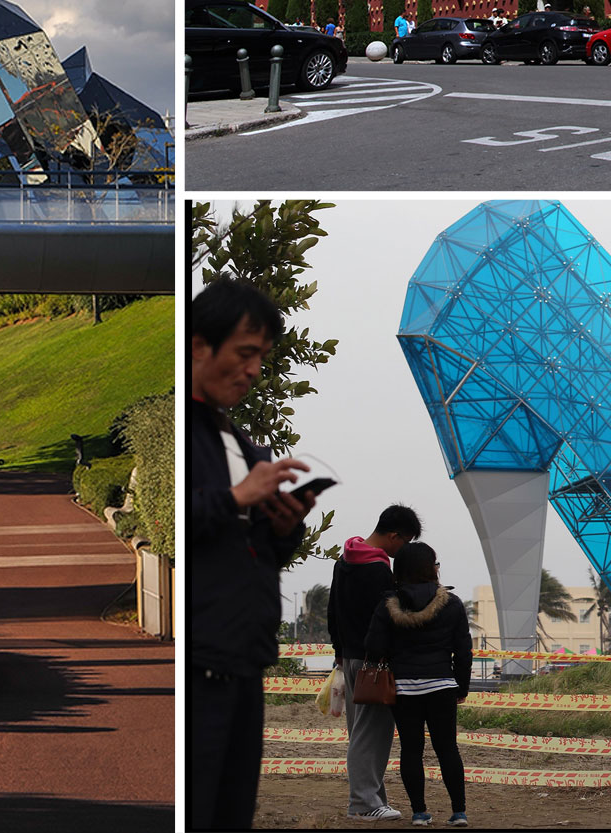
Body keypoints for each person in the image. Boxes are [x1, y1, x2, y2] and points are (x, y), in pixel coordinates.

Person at [187, 278, 318, 831]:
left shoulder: (244, 445)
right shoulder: (183, 432)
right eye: (244, 353)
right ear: (198, 347)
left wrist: (285, 529)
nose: (252, 370)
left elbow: (254, 551)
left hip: (245, 662)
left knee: (232, 811)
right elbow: (179, 522)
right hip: (197, 666)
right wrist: (238, 497)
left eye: (261, 358)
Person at [363, 541, 471, 828]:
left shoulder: (388, 605)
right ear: (430, 568)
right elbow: (463, 651)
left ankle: (420, 813)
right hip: (442, 686)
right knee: (447, 748)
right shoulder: (452, 603)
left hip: (403, 689)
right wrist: (461, 687)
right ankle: (459, 812)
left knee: (411, 749)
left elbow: (373, 647)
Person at [329, 504, 424, 821]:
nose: (404, 549)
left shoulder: (345, 560)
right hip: (374, 662)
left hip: (350, 658)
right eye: (406, 541)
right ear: (394, 535)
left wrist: (339, 653)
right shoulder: (379, 570)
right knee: (372, 733)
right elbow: (387, 618)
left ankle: (371, 798)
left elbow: (333, 611)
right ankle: (363, 804)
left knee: (360, 730)